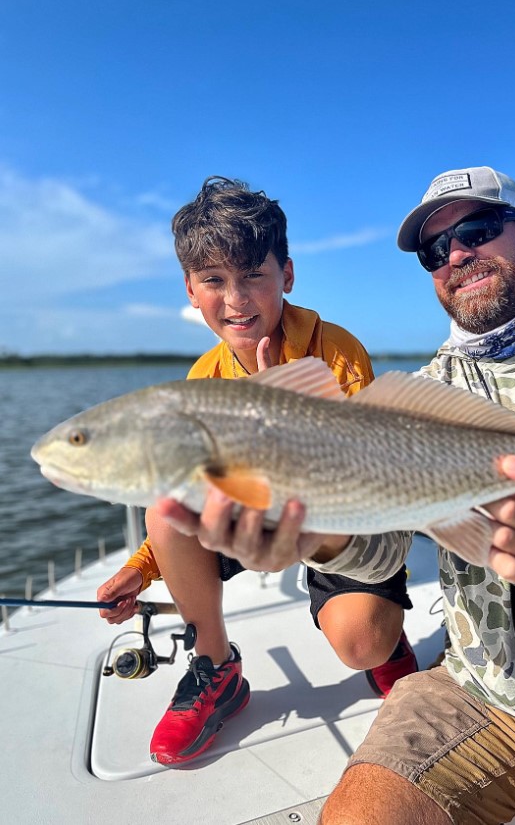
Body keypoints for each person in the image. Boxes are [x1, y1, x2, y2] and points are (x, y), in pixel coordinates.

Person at [167, 167, 515, 824]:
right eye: (434, 250)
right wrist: (320, 533)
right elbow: (385, 552)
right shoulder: (429, 384)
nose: (456, 256)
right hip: (477, 690)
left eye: (476, 231)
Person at [96, 177, 417, 766]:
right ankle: (216, 665)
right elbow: (193, 486)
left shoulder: (337, 351)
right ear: (192, 290)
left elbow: (367, 469)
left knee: (363, 646)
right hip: (253, 514)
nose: (236, 298)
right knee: (166, 511)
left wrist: (276, 415)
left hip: (332, 520)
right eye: (215, 280)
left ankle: (388, 630)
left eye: (253, 275)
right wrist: (140, 571)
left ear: (286, 276)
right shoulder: (204, 377)